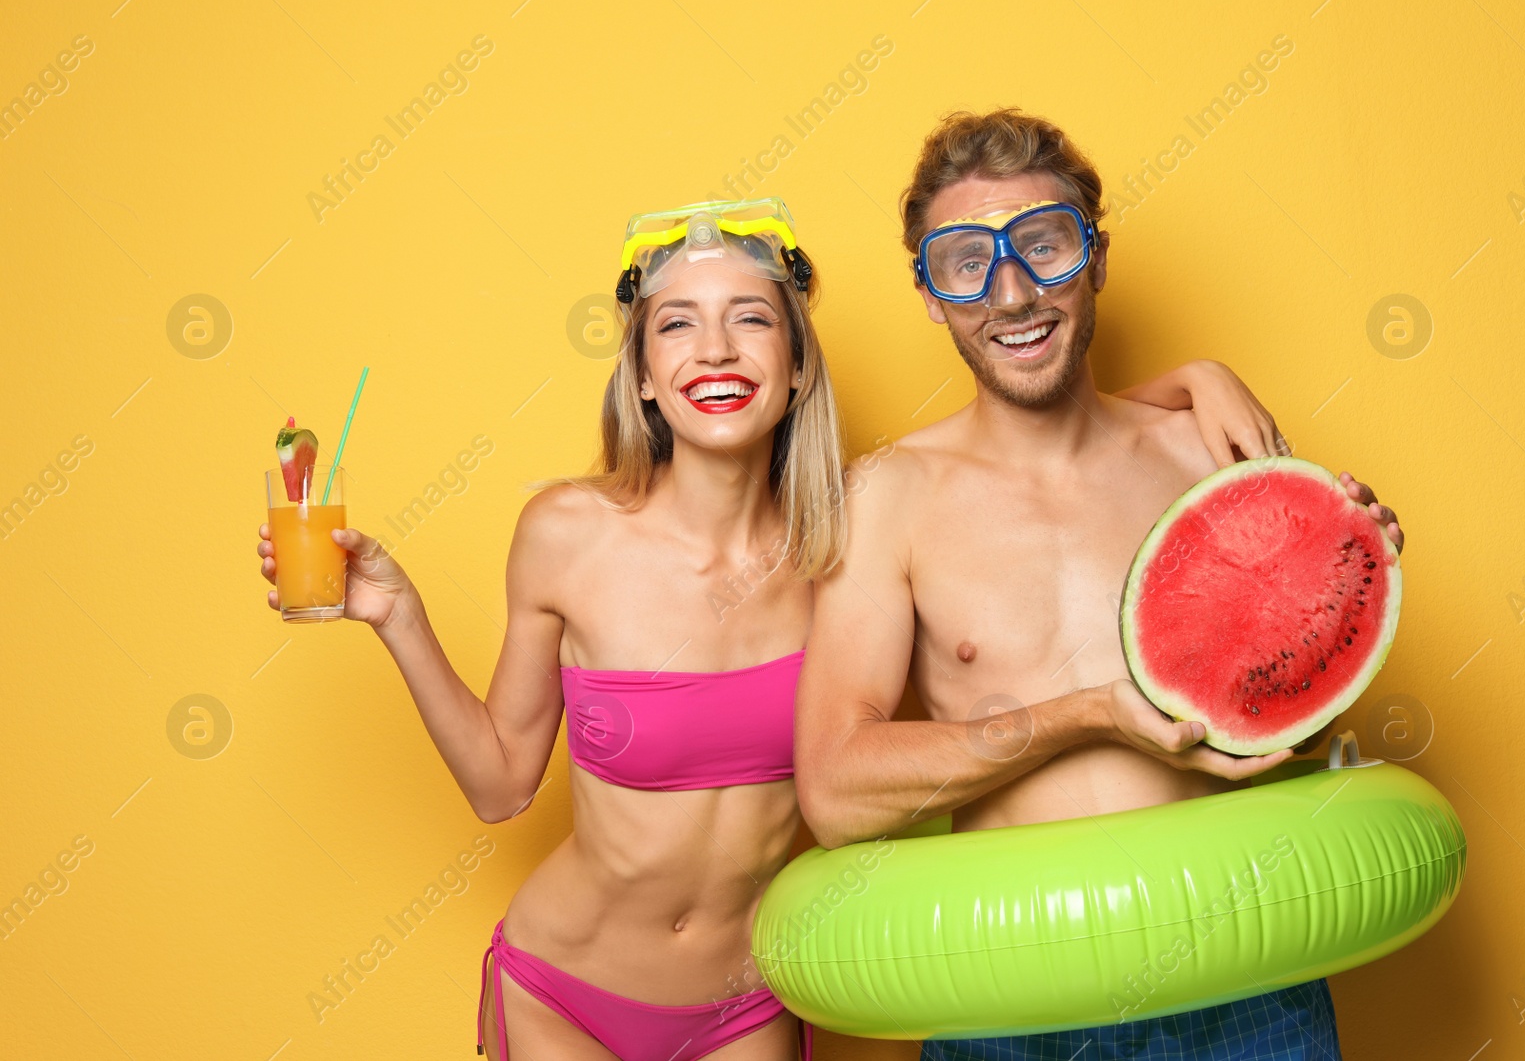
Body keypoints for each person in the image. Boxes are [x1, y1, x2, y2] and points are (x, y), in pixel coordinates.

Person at [256, 195, 1293, 1060]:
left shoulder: (844, 542)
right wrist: (396, 616)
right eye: (676, 325)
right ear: (646, 379)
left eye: (750, 318)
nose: (714, 348)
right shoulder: (565, 532)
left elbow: (1025, 438)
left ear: (796, 366)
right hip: (560, 989)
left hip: (744, 1003)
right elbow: (498, 786)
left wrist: (1191, 383)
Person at [794, 108, 1405, 1061]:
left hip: (1239, 976)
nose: (1012, 292)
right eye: (966, 261)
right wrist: (1086, 714)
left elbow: (1291, 725)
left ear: (1096, 258)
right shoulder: (887, 500)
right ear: (928, 293)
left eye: (1045, 244)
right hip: (1009, 991)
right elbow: (835, 790)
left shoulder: (1210, 449)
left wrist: (1344, 597)